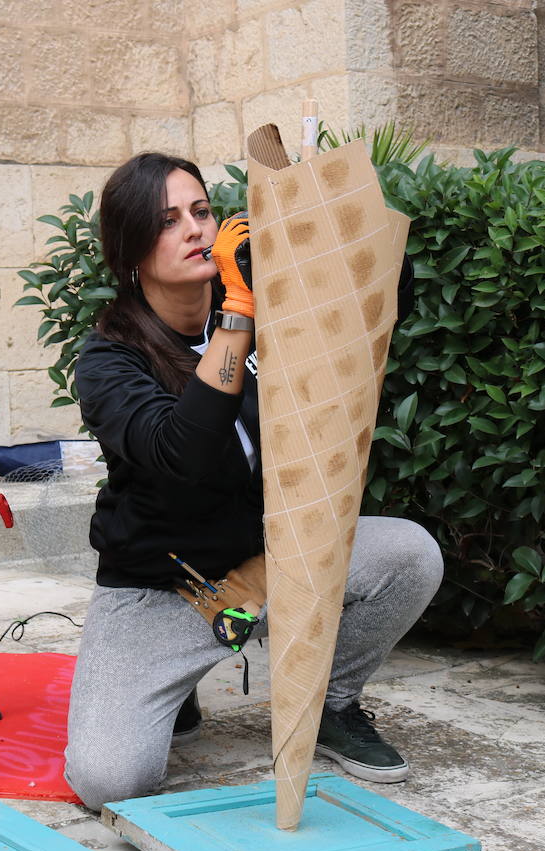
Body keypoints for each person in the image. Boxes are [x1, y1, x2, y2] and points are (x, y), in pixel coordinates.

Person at [62, 151, 442, 811]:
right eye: (166, 220)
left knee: (410, 554)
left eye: (201, 211)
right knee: (108, 782)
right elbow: (181, 452)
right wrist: (239, 311)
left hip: (265, 568)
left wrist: (337, 223)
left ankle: (332, 702)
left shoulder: (270, 307)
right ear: (128, 249)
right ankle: (171, 688)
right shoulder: (109, 359)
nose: (194, 230)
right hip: (164, 594)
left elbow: (380, 304)